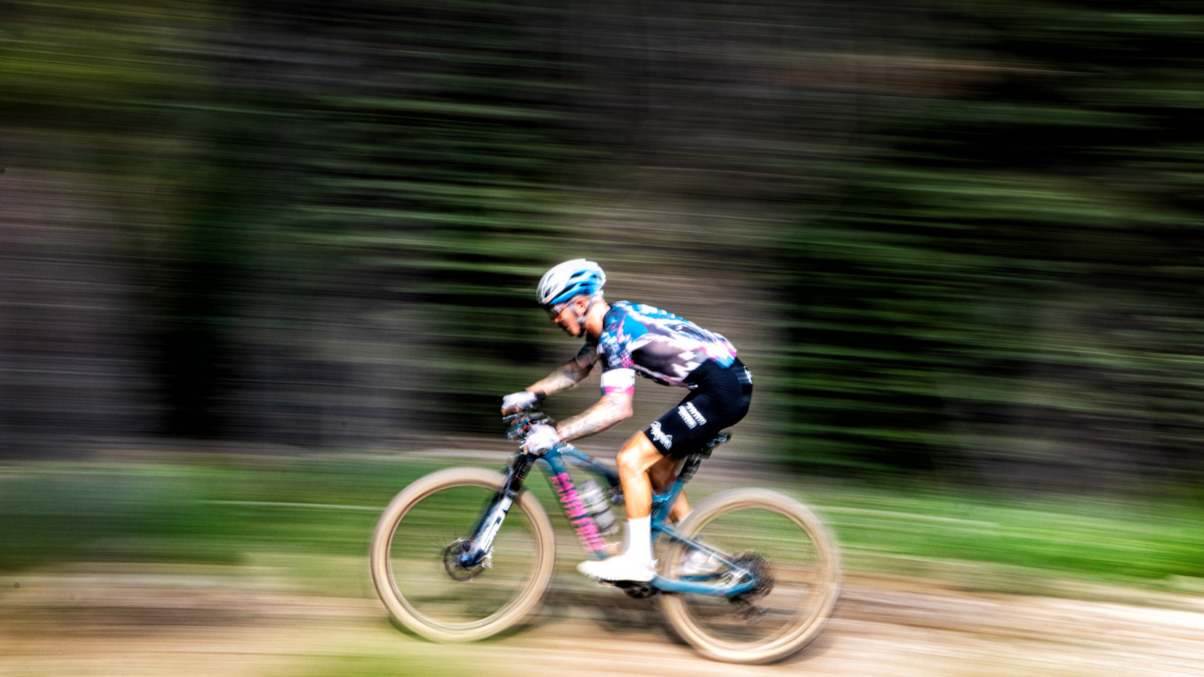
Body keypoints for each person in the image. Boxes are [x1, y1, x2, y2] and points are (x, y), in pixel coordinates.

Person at [501, 259, 753, 582]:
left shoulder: (616, 334)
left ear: (579, 304)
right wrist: (529, 394)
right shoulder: (612, 323)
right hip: (725, 383)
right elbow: (578, 367)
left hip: (723, 391)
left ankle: (639, 562)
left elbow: (617, 408)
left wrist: (556, 432)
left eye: (555, 310)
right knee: (658, 468)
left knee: (631, 459)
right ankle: (696, 554)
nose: (554, 319)